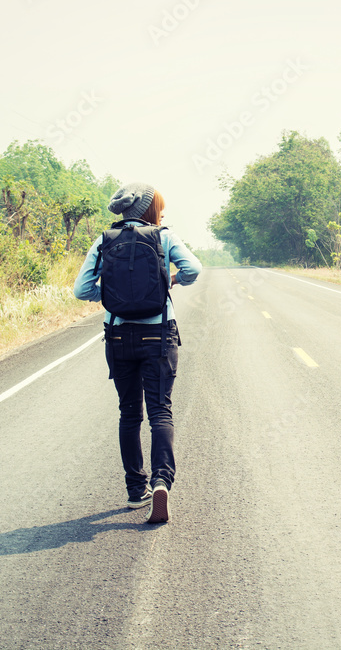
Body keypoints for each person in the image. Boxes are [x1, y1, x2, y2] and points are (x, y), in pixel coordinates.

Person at [73, 182, 202, 523]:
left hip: (118, 335)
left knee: (129, 413)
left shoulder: (104, 240)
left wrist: (110, 291)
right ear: (149, 209)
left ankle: (136, 491)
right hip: (158, 332)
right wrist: (169, 281)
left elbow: (81, 289)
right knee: (160, 410)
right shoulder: (164, 236)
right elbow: (193, 270)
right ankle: (162, 481)